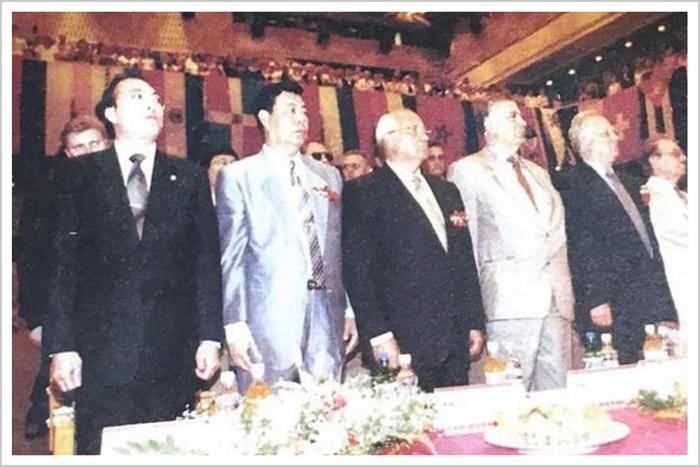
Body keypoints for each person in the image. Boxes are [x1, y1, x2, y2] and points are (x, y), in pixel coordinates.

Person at [44, 69, 222, 454]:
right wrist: (61, 345)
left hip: (173, 354)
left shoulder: (189, 178)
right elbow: (62, 266)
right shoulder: (79, 174)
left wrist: (210, 337)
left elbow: (206, 264)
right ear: (112, 113)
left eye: (156, 98)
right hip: (99, 354)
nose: (153, 104)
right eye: (138, 96)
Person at [216, 80, 358, 392]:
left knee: (330, 409)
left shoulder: (328, 175)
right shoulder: (239, 176)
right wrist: (234, 325)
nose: (301, 119)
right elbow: (232, 258)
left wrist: (348, 308)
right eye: (291, 111)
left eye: (304, 112)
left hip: (327, 312)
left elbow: (337, 247)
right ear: (265, 118)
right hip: (269, 321)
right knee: (270, 414)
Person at [343, 108, 485, 392]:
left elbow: (464, 260)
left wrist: (473, 320)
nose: (424, 137)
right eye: (414, 130)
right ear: (389, 140)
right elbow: (359, 272)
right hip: (402, 338)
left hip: (453, 336)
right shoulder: (365, 191)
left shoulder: (446, 191)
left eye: (424, 130)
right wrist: (378, 334)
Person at [447, 99, 575, 391]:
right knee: (509, 393)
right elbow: (467, 245)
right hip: (507, 302)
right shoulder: (467, 170)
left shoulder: (539, 172)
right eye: (512, 116)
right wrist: (472, 310)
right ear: (488, 126)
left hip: (556, 298)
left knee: (558, 394)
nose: (523, 122)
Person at [559, 110, 677, 364]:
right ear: (586, 144)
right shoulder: (571, 183)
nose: (615, 137)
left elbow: (648, 244)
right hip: (611, 300)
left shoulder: (630, 182)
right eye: (606, 134)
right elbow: (580, 244)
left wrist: (663, 300)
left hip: (645, 295)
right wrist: (596, 299)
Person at [17, 116, 109, 440]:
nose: (87, 152)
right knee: (55, 372)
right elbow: (31, 259)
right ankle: (40, 415)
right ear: (67, 153)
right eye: (78, 147)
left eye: (94, 144)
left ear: (106, 144)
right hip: (62, 305)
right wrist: (35, 319)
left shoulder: (126, 186)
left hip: (108, 305)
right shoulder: (46, 194)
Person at [641, 137, 688, 331]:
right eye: (675, 154)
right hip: (679, 282)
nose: (683, 158)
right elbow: (679, 232)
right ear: (654, 161)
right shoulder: (652, 194)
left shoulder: (682, 195)